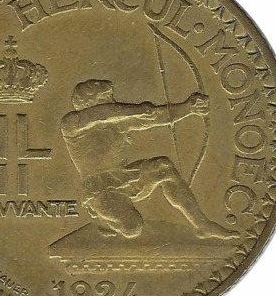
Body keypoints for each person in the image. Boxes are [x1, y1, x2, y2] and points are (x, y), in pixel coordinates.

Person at [61, 79, 238, 240]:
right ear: (88, 102)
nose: (112, 102)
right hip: (100, 190)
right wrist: (138, 110)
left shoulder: (118, 122)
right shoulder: (72, 122)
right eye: (104, 98)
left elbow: (156, 117)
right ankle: (102, 218)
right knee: (132, 227)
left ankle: (202, 225)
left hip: (124, 177)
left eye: (110, 97)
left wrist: (188, 108)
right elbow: (102, 113)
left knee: (163, 167)